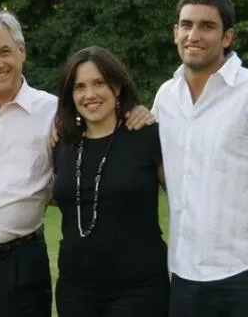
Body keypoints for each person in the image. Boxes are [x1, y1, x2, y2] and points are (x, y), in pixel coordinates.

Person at [0, 10, 154, 317]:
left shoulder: (54, 113)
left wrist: (136, 111)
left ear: (21, 51)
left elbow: (102, 124)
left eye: (4, 52)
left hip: (24, 262)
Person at [152, 0, 248, 316]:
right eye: (186, 25)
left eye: (206, 26)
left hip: (246, 273)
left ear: (227, 37)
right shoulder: (166, 97)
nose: (193, 35)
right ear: (175, 33)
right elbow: (161, 169)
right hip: (184, 273)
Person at [52, 46, 168, 317]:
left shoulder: (147, 135)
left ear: (116, 87)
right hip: (74, 292)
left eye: (99, 83)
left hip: (139, 291)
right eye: (79, 87)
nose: (89, 94)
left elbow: (184, 198)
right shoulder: (63, 144)